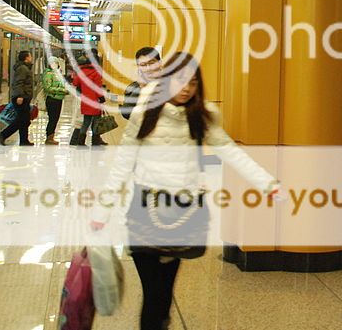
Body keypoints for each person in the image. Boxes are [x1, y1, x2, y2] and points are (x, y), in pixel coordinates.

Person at [91, 52, 279, 330]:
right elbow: (122, 163)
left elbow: (230, 152)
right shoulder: (144, 113)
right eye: (180, 81)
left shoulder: (201, 117)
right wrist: (102, 210)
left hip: (182, 213)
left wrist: (267, 184)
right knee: (153, 292)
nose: (186, 89)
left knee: (164, 292)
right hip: (143, 210)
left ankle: (159, 323)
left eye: (192, 83)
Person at [71, 51, 107, 147]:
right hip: (95, 101)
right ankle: (95, 142)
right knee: (96, 122)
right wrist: (102, 98)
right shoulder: (96, 72)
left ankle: (80, 142)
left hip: (85, 100)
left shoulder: (81, 71)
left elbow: (75, 83)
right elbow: (97, 88)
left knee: (86, 122)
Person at [0, 50, 34, 146]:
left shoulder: (24, 68)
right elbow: (19, 82)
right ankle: (3, 134)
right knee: (22, 120)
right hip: (21, 98)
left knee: (24, 120)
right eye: (30, 56)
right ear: (26, 58)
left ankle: (24, 140)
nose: (31, 58)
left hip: (24, 97)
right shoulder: (22, 68)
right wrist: (20, 96)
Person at [121, 47, 162, 120]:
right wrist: (141, 88)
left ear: (159, 63)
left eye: (152, 63)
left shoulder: (170, 83)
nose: (148, 68)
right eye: (143, 65)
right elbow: (126, 113)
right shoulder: (135, 86)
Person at [42, 56, 68, 145]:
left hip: (58, 99)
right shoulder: (48, 74)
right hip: (52, 99)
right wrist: (62, 90)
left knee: (55, 119)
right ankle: (49, 137)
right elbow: (47, 88)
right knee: (52, 119)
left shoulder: (56, 73)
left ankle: (51, 136)